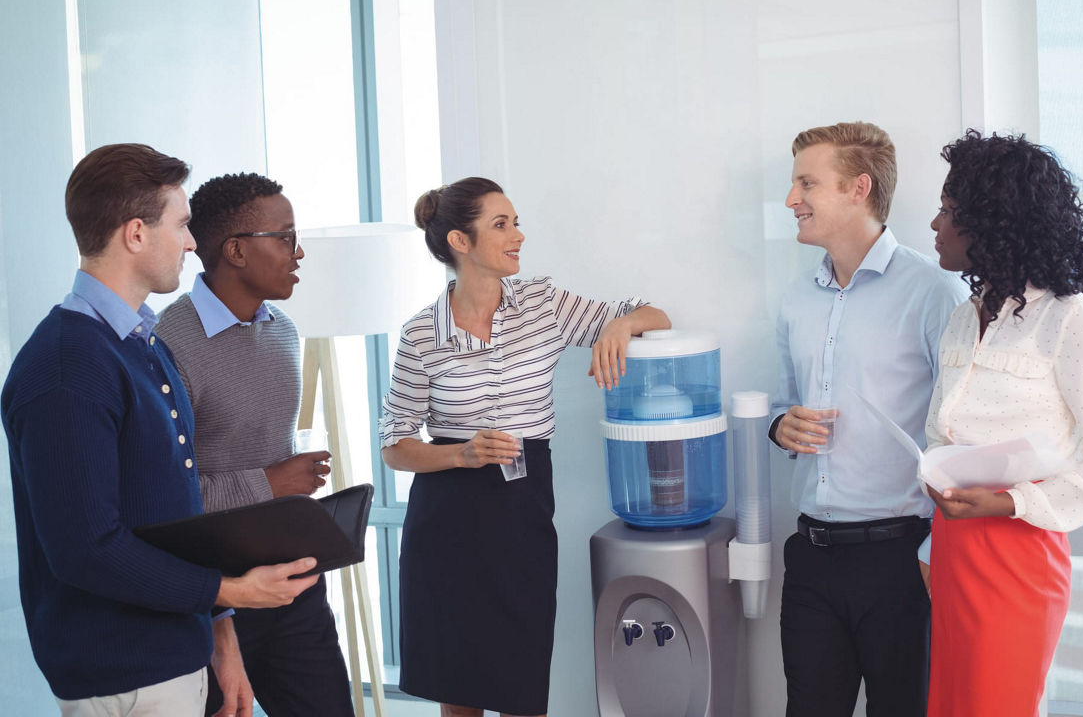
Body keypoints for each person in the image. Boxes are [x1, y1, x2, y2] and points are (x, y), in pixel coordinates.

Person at [1, 143, 320, 717]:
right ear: (136, 234)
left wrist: (220, 632)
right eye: (181, 225)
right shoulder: (67, 365)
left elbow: (175, 518)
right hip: (120, 675)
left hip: (176, 655)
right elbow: (86, 550)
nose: (193, 243)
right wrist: (232, 593)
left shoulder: (141, 346)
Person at [378, 177, 670, 717]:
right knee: (458, 691)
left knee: (521, 683)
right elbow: (394, 445)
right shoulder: (421, 333)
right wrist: (461, 454)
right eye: (501, 225)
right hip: (446, 523)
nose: (518, 236)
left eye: (515, 222)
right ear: (460, 243)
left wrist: (620, 326)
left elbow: (657, 315)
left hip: (522, 510)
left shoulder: (544, 305)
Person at [924, 130, 1083, 716]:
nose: (935, 224)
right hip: (950, 549)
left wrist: (1007, 503)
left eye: (947, 211)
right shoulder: (965, 319)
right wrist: (934, 477)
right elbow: (944, 434)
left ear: (991, 222)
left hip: (1018, 556)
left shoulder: (1071, 322)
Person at [769, 122, 967, 716]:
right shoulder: (796, 298)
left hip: (902, 564)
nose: (790, 199)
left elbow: (960, 433)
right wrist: (781, 425)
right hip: (811, 559)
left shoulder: (936, 294)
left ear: (859, 188)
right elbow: (782, 400)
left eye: (806, 182)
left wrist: (935, 556)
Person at [155, 172, 354, 717]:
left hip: (295, 583)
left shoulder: (284, 330)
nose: (299, 251)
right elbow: (166, 498)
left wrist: (293, 491)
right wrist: (269, 483)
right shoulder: (165, 346)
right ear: (236, 251)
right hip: (216, 596)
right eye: (285, 237)